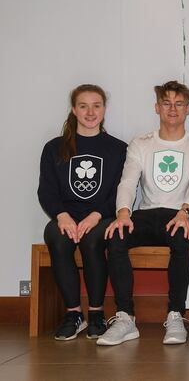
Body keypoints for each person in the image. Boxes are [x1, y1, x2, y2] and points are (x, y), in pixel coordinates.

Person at [99, 80, 189, 346]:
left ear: (188, 109)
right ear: (157, 107)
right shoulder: (140, 143)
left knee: (180, 236)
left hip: (182, 213)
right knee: (116, 237)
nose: (172, 109)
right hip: (147, 213)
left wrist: (186, 211)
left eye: (179, 104)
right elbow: (127, 181)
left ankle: (176, 315)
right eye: (166, 103)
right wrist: (123, 213)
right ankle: (125, 317)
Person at [37, 84, 127, 340]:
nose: (90, 112)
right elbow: (46, 191)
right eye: (83, 106)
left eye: (96, 105)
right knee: (56, 236)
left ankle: (96, 313)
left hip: (101, 216)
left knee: (92, 239)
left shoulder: (118, 149)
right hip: (66, 216)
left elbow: (120, 192)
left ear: (104, 109)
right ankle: (74, 314)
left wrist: (96, 215)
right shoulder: (54, 148)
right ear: (74, 110)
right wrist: (61, 215)